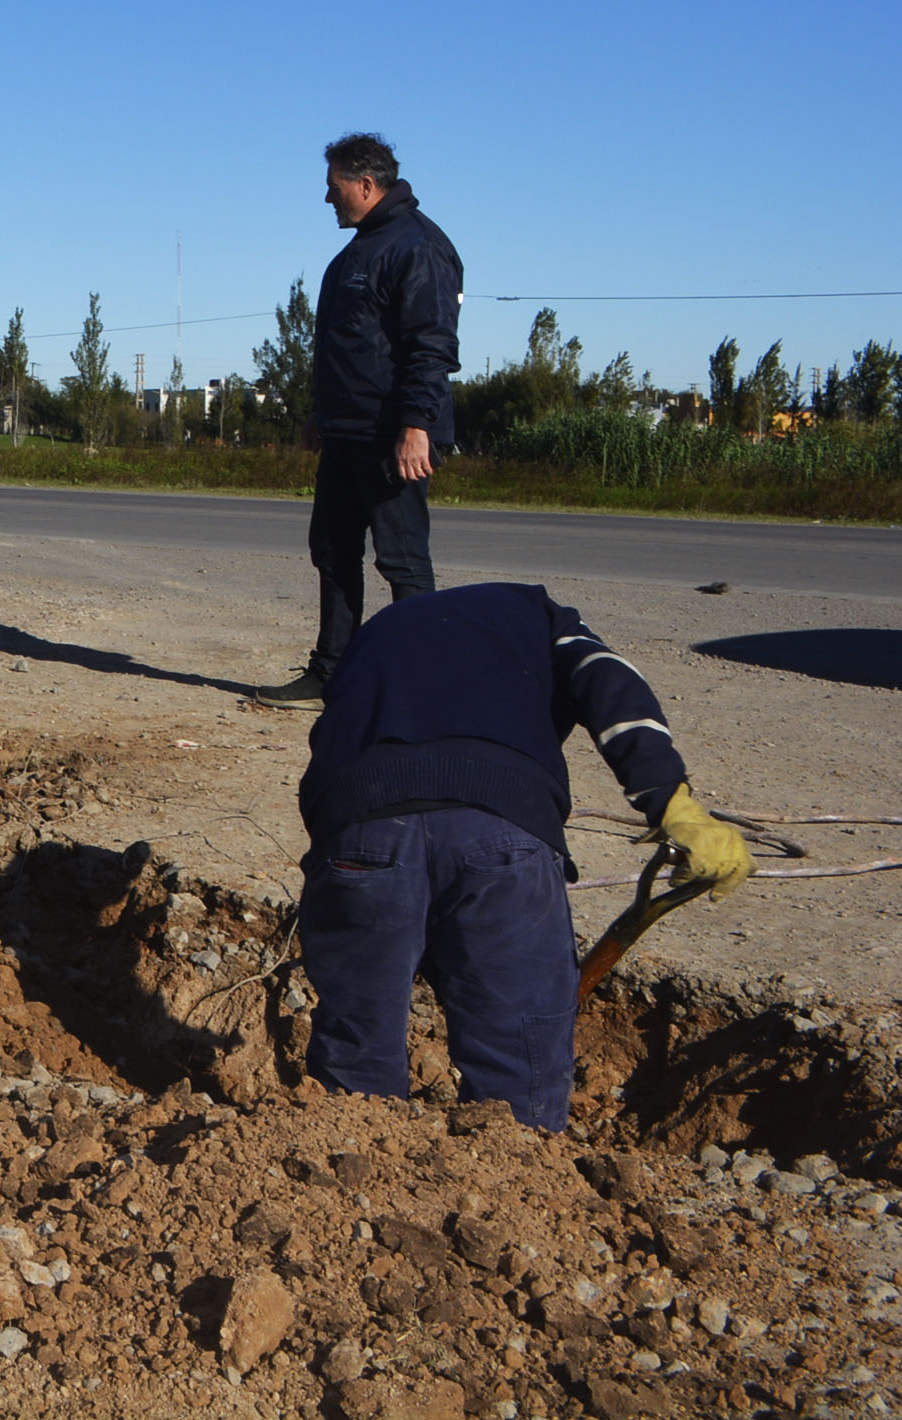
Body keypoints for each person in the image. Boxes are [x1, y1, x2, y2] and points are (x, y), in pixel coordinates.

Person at [295, 581, 751, 1132]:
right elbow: (609, 682)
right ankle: (515, 1170)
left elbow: (332, 746)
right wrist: (669, 800)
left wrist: (351, 870)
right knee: (517, 1056)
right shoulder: (542, 616)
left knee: (355, 1046)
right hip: (500, 825)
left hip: (359, 826)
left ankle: (351, 1162)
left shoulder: (375, 635)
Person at [258, 132, 464, 710]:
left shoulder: (419, 247)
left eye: (334, 187)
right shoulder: (356, 252)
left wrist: (416, 426)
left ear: (367, 185)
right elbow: (342, 345)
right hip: (345, 432)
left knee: (402, 560)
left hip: (392, 436)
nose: (328, 198)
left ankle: (420, 690)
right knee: (332, 550)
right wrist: (319, 413)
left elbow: (432, 346)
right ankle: (331, 674)